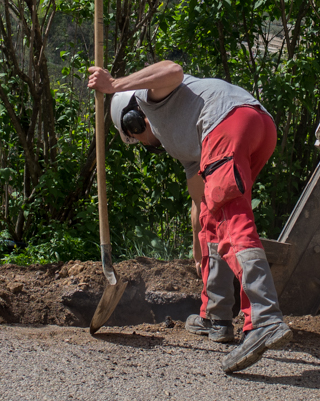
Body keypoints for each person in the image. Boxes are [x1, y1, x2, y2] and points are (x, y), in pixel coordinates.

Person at [87, 60, 292, 373]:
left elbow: (172, 70)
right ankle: (217, 316)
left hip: (227, 122)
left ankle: (263, 319)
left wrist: (114, 85)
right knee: (215, 217)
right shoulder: (180, 140)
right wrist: (200, 250)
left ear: (133, 122)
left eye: (135, 136)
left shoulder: (146, 99)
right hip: (255, 127)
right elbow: (201, 203)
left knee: (230, 221)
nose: (143, 143)